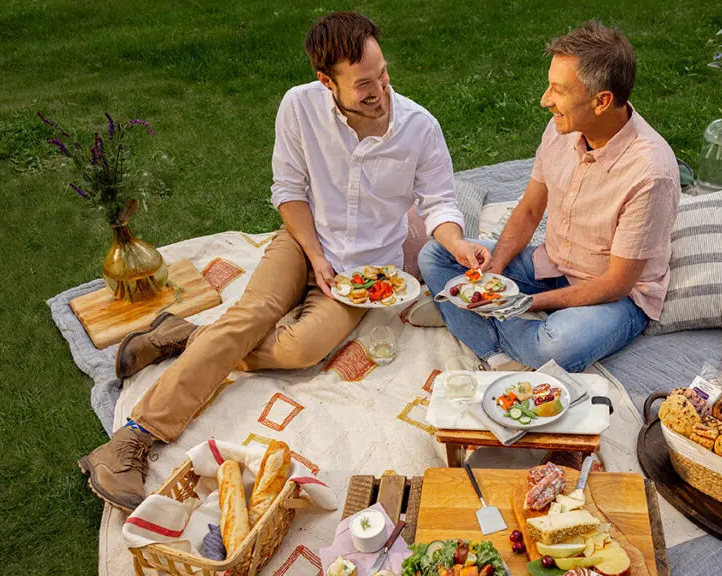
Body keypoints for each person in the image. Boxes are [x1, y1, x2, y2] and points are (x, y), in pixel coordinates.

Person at [78, 11, 487, 511]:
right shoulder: (299, 107)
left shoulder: (419, 127)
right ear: (325, 81)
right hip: (302, 241)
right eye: (363, 83)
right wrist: (314, 254)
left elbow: (440, 202)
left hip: (364, 274)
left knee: (301, 350)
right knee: (250, 317)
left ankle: (183, 336)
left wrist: (458, 244)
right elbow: (289, 190)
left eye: (382, 74)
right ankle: (131, 440)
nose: (380, 89)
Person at [419, 20, 680, 373]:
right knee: (437, 253)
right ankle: (497, 351)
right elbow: (528, 211)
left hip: (615, 295)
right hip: (552, 262)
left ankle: (471, 323)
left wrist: (521, 302)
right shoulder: (562, 129)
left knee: (556, 347)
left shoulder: (651, 173)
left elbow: (617, 283)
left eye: (558, 90)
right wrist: (493, 271)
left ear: (601, 101)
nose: (545, 100)